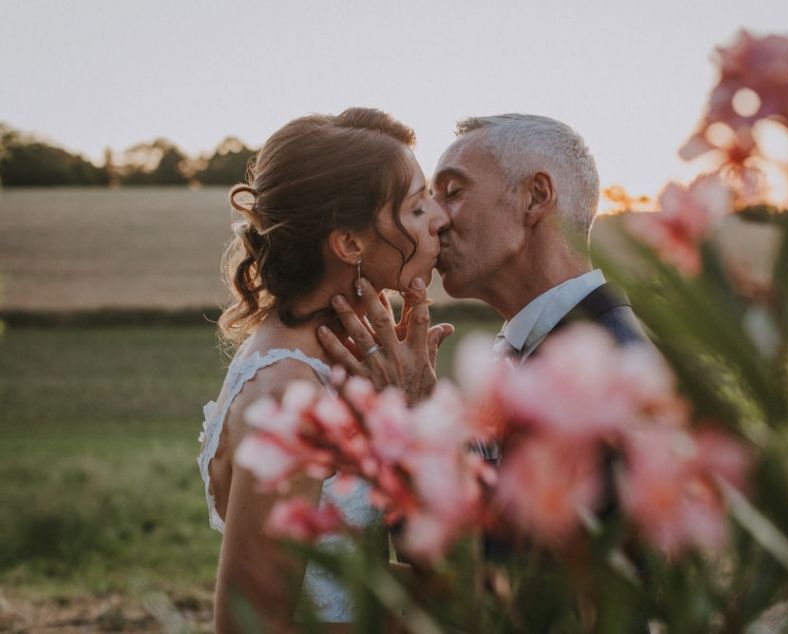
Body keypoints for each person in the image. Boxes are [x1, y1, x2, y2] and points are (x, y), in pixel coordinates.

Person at [197, 108, 451, 632]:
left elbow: (359, 573)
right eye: (417, 205)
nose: (441, 218)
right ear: (350, 243)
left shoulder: (340, 360)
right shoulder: (289, 389)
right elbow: (248, 624)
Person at [319, 113, 643, 392]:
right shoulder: (544, 345)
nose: (436, 219)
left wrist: (411, 410)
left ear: (534, 197)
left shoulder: (617, 370)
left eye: (453, 192)